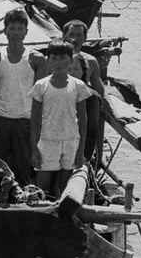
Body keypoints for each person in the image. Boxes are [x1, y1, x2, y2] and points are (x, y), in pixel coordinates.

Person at [0, 8, 47, 185]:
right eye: (12, 28)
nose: (16, 33)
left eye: (20, 29)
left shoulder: (36, 59)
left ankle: (22, 201)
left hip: (25, 119)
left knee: (23, 167)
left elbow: (40, 96)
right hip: (0, 118)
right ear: (5, 31)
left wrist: (38, 126)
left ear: (26, 31)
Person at [29, 40, 91, 198]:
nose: (58, 63)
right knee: (42, 188)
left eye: (63, 58)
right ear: (48, 61)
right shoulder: (40, 86)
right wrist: (35, 149)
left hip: (71, 140)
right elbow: (34, 119)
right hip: (47, 140)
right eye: (54, 58)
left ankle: (62, 219)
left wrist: (81, 149)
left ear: (70, 60)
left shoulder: (78, 86)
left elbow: (83, 119)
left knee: (64, 187)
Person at [62, 20, 105, 161]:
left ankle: (87, 156)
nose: (75, 39)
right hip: (60, 102)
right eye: (72, 34)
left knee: (94, 102)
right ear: (64, 36)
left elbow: (100, 93)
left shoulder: (90, 61)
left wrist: (114, 112)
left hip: (83, 104)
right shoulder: (53, 59)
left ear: (85, 38)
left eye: (79, 35)